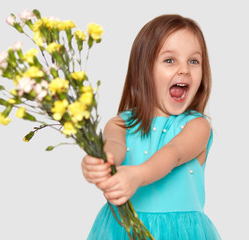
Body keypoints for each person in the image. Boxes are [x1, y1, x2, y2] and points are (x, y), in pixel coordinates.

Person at [81, 14, 221, 240]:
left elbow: (173, 154)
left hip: (181, 234)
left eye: (194, 61)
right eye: (170, 60)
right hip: (122, 231)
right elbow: (114, 146)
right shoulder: (120, 123)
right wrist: (100, 161)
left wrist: (137, 176)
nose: (184, 69)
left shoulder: (197, 126)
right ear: (143, 70)